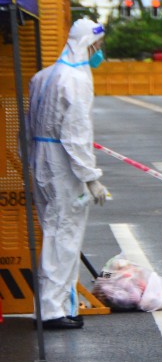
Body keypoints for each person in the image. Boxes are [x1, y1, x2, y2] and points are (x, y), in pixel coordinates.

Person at [28, 18, 109, 330]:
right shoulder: (75, 79)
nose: (98, 52)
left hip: (41, 162)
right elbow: (75, 134)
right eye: (97, 46)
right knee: (64, 237)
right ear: (87, 44)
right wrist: (91, 177)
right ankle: (54, 310)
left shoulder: (43, 77)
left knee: (53, 233)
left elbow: (28, 125)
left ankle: (53, 305)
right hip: (62, 166)